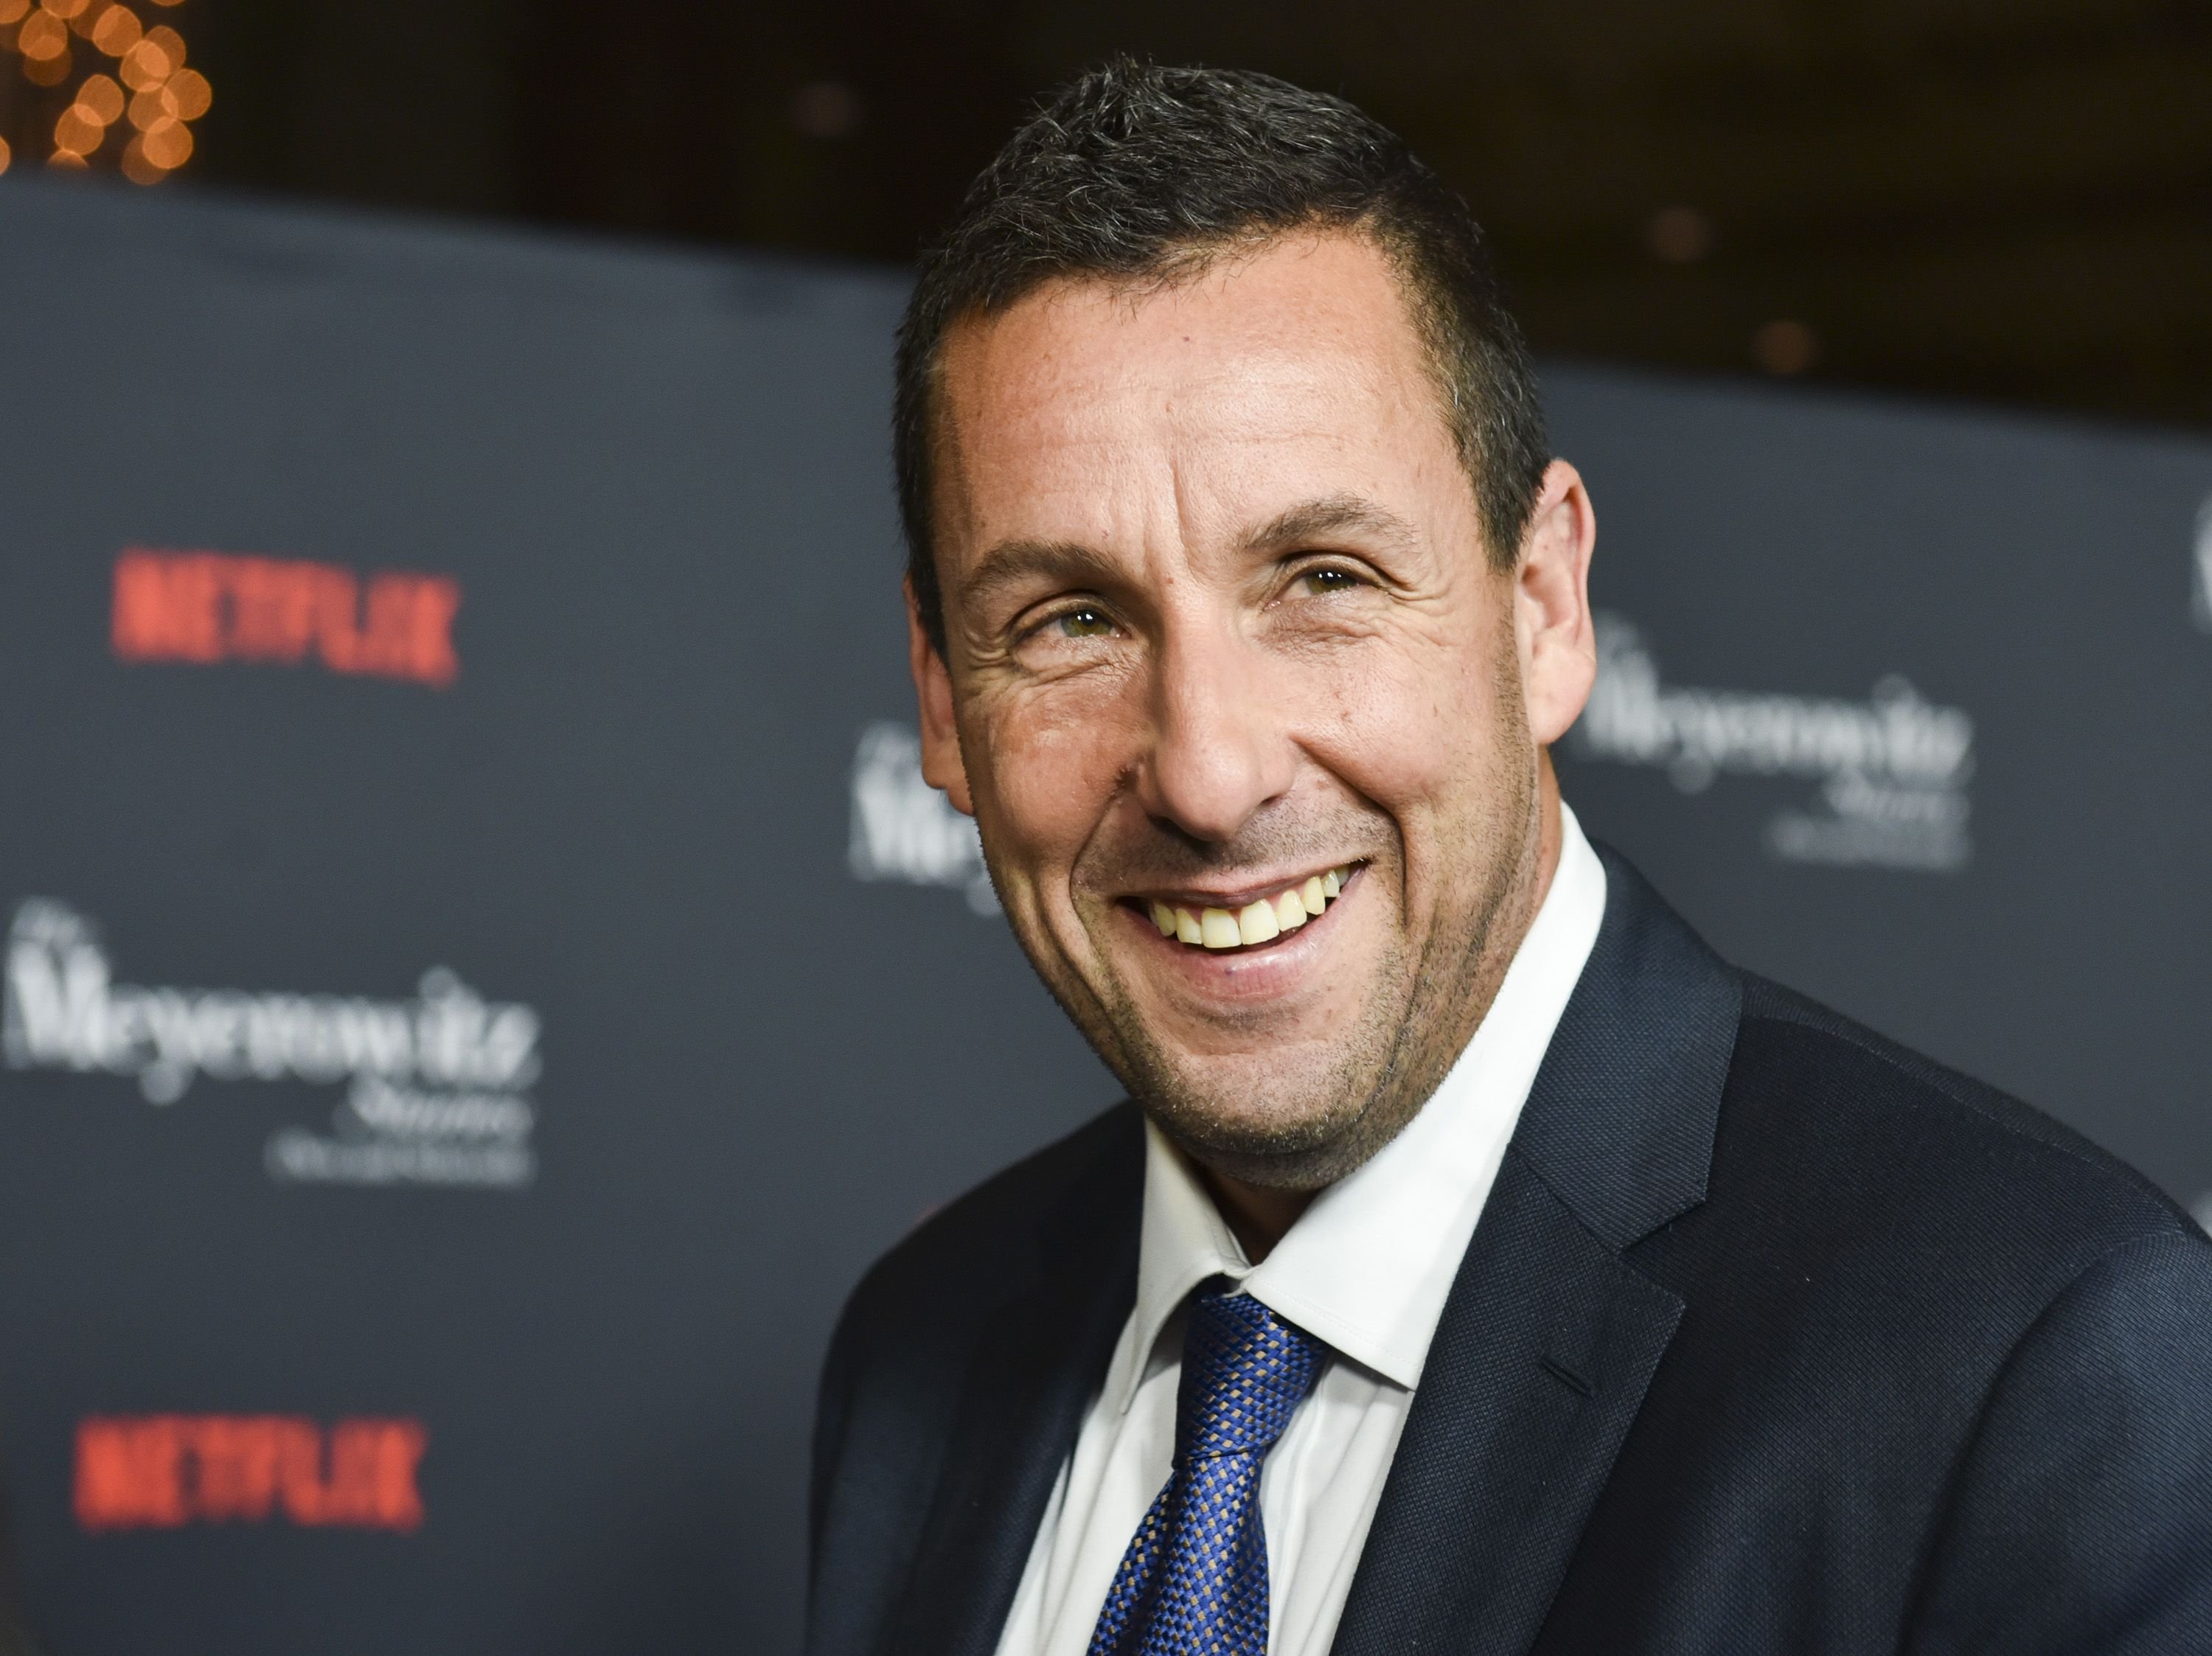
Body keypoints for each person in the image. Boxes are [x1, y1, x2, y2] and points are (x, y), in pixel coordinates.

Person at [807, 60, 2212, 1656]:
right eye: (1069, 620)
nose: (1206, 769)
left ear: (1543, 606)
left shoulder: (2035, 1363)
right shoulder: (922, 1353)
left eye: (1323, 577)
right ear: (939, 693)